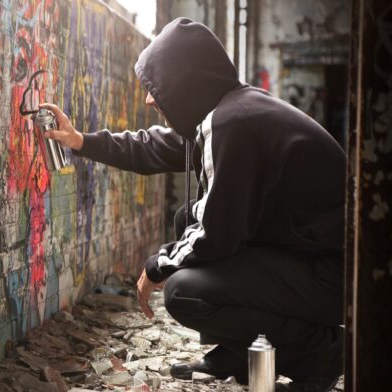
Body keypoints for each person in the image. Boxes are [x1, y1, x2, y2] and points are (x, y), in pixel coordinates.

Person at [40, 17, 344, 391]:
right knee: (187, 219)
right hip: (310, 259)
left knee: (183, 291)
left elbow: (217, 233)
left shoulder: (233, 123)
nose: (151, 98)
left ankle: (321, 352)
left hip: (335, 278)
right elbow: (151, 147)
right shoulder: (231, 111)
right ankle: (237, 355)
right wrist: (80, 141)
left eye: (157, 86)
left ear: (186, 82)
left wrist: (156, 268)